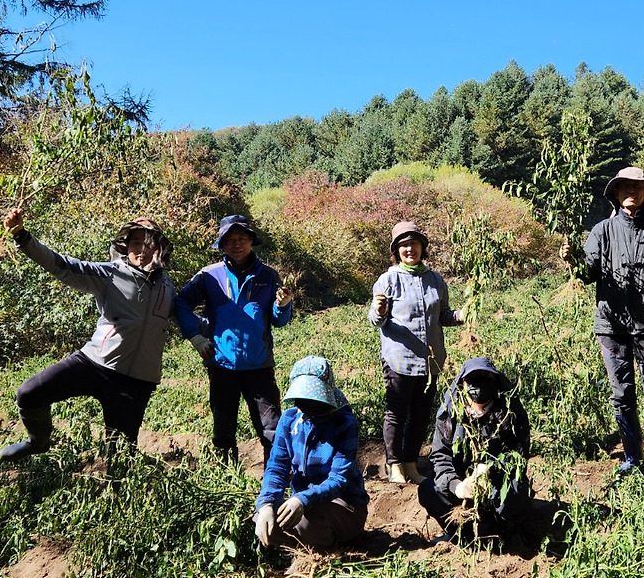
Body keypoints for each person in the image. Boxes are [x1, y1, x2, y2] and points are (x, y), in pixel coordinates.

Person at [0, 208, 204, 462]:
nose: (142, 249)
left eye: (149, 243)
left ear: (160, 249)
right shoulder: (109, 274)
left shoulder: (168, 288)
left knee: (120, 457)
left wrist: (233, 325)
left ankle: (116, 494)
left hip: (137, 382)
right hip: (95, 364)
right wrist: (22, 236)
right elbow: (61, 265)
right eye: (136, 243)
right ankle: (37, 442)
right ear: (125, 247)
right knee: (29, 393)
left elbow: (189, 320)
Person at [561, 167, 644, 482]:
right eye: (625, 187)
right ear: (615, 193)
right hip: (611, 328)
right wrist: (572, 258)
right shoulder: (601, 231)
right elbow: (587, 276)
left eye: (638, 187)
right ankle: (632, 458)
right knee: (622, 393)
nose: (631, 192)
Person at [178, 215, 293, 465]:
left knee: (271, 428)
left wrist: (283, 306)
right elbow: (180, 303)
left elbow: (278, 320)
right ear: (222, 245)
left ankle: (275, 482)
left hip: (259, 367)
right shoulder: (208, 276)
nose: (236, 244)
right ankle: (228, 478)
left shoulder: (269, 276)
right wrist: (195, 336)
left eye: (241, 238)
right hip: (221, 366)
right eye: (229, 240)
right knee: (223, 429)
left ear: (251, 240)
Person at [369, 221, 464, 484]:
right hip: (399, 360)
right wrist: (379, 310)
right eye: (403, 245)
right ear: (396, 251)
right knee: (396, 414)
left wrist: (459, 316)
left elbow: (442, 315)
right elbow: (375, 320)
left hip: (431, 362)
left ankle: (411, 464)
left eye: (414, 243)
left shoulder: (435, 279)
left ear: (422, 247)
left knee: (421, 415)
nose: (409, 249)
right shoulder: (388, 279)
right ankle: (394, 465)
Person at [254, 356, 369, 552]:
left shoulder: (344, 424)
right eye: (303, 401)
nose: (309, 406)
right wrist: (266, 503)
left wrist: (301, 499)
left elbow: (338, 480)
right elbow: (277, 467)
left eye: (314, 401)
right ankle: (304, 549)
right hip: (305, 503)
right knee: (263, 519)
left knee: (307, 518)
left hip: (344, 506)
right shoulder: (290, 420)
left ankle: (327, 554)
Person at [418, 357, 532, 546]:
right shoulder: (451, 412)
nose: (479, 385)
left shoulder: (510, 411)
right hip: (462, 487)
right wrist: (457, 486)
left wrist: (490, 471)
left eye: (486, 378)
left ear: (495, 382)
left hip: (496, 485)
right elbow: (440, 456)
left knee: (515, 495)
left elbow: (518, 452)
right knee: (428, 491)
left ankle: (503, 533)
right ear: (463, 383)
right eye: (473, 379)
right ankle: (459, 534)